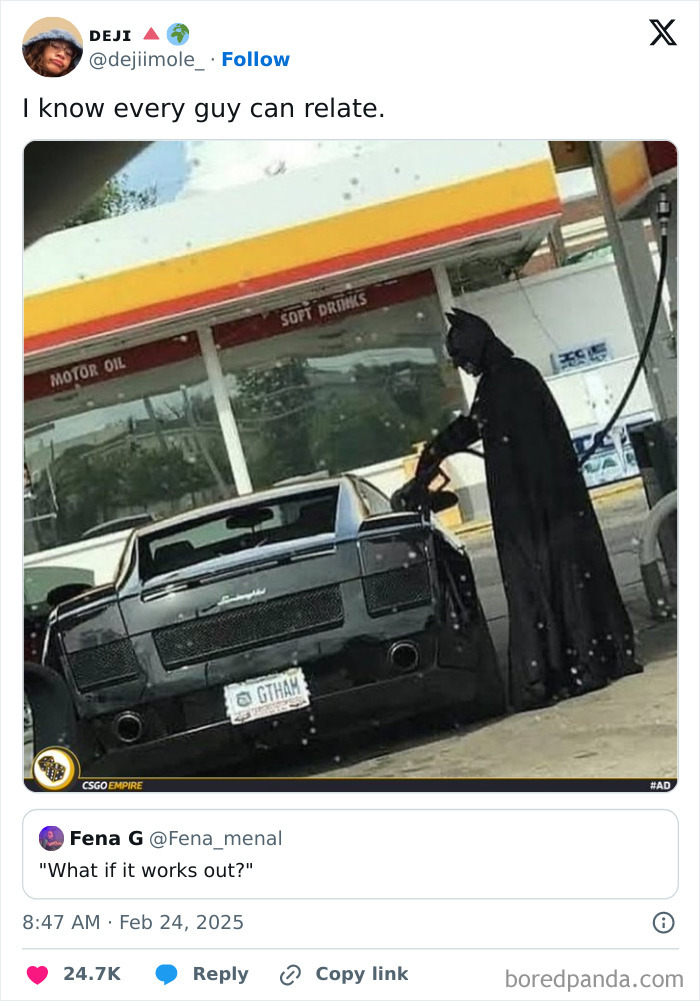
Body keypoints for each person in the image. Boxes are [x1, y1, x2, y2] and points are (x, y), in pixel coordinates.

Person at [406, 308, 641, 711]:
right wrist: (436, 449)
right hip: (547, 509)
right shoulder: (509, 380)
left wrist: (438, 449)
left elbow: (483, 427)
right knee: (558, 581)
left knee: (547, 582)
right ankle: (581, 661)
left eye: (462, 356)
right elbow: (476, 426)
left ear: (478, 346)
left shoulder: (507, 382)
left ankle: (561, 669)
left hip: (537, 513)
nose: (464, 365)